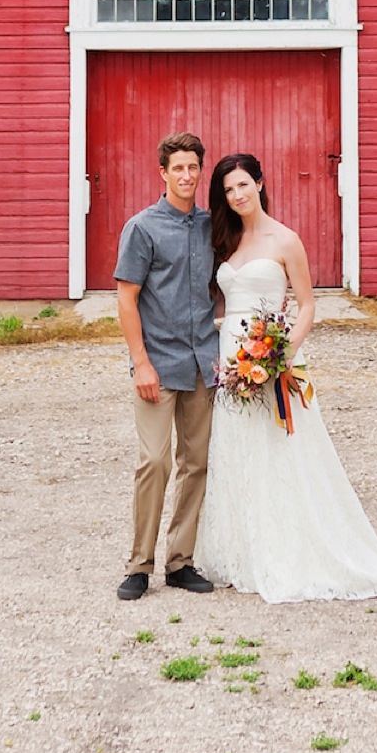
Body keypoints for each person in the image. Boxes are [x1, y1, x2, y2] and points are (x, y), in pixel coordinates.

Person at [194, 151, 377, 603]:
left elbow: (308, 304)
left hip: (270, 361)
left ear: (259, 182)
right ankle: (244, 550)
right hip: (231, 361)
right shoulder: (227, 240)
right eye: (227, 189)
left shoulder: (285, 240)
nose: (236, 195)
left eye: (242, 185)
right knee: (238, 452)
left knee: (279, 454)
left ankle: (290, 549)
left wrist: (281, 354)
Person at [112, 131, 219, 600]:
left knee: (195, 464)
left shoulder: (211, 227)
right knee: (154, 462)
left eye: (194, 167)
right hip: (158, 364)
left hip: (203, 363)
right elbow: (126, 298)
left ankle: (181, 561)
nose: (187, 175)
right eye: (178, 168)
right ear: (163, 173)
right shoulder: (142, 227)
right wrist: (141, 364)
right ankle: (139, 564)